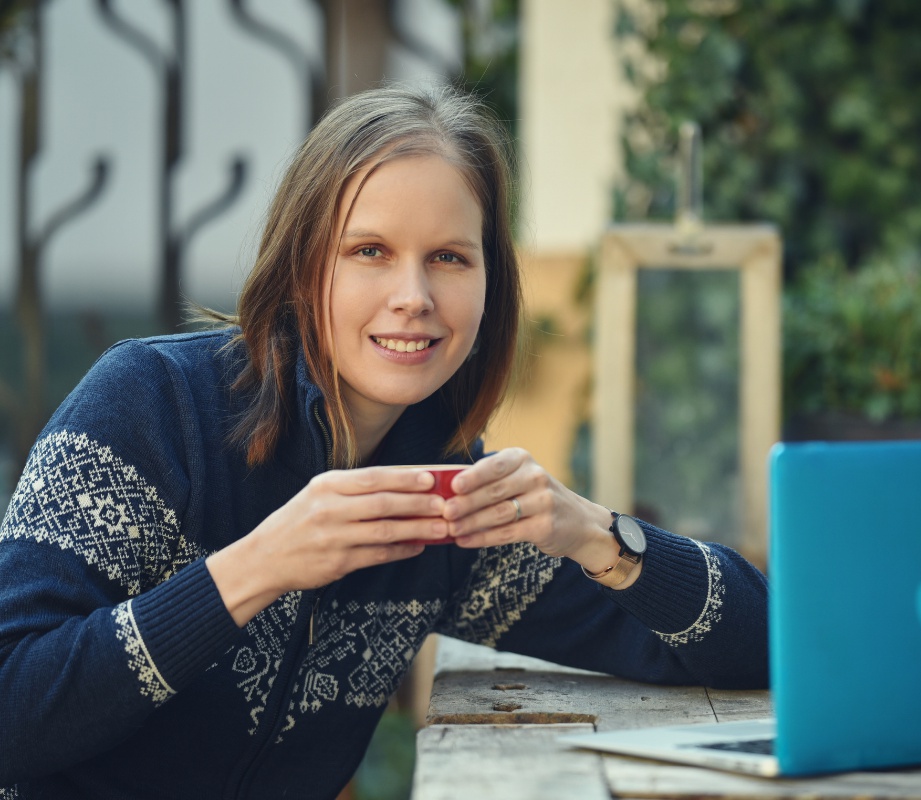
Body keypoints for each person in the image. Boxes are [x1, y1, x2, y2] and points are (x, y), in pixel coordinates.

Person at [0, 83, 768, 799]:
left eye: (449, 258)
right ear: (304, 268)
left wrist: (597, 534)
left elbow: (760, 648)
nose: (415, 298)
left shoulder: (448, 503)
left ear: (489, 282)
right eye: (369, 251)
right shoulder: (149, 407)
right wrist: (256, 568)